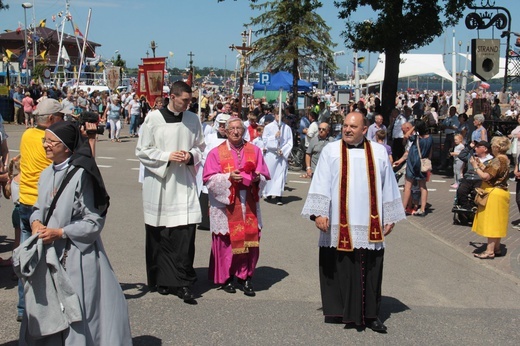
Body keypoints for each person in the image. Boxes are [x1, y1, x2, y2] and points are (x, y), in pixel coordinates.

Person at [16, 121, 131, 344]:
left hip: (75, 254)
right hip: (47, 251)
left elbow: (94, 221)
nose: (46, 146)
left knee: (77, 309)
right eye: (45, 141)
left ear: (67, 147)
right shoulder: (46, 173)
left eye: (51, 142)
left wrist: (61, 232)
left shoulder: (82, 175)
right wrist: (36, 221)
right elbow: (38, 206)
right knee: (46, 306)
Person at [301, 112, 405, 332]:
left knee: (370, 268)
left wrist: (390, 214)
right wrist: (319, 212)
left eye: (353, 126)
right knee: (341, 265)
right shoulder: (331, 150)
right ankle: (340, 310)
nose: (347, 129)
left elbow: (388, 185)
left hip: (370, 222)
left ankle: (370, 315)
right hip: (339, 220)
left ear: (364, 130)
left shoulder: (378, 152)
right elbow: (320, 181)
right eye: (345, 125)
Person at [136, 81, 205, 302]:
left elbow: (201, 147)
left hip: (183, 182)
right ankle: (162, 280)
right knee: (161, 233)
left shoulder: (193, 119)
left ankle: (184, 283)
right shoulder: (153, 119)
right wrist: (167, 156)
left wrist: (190, 156)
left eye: (190, 100)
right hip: (160, 182)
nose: (188, 104)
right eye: (185, 100)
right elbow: (142, 151)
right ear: (172, 97)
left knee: (184, 234)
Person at [203, 117, 270, 296]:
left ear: (243, 130)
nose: (235, 131)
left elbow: (264, 174)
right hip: (227, 203)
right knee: (226, 241)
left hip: (248, 201)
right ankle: (226, 278)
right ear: (225, 130)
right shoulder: (216, 152)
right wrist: (228, 178)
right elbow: (208, 179)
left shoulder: (254, 151)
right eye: (231, 128)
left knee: (250, 239)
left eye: (238, 128)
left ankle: (245, 277)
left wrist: (257, 178)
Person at [16, 99, 70, 322]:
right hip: (42, 204)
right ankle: (52, 306)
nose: (63, 121)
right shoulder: (51, 141)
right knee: (50, 259)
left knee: (26, 256)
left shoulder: (27, 134)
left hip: (24, 200)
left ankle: (23, 307)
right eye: (60, 117)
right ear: (51, 119)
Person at [470, 136, 510, 259]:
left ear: (497, 147)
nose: (491, 148)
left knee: (491, 222)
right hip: (502, 192)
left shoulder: (498, 160)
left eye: (493, 146)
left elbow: (486, 177)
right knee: (498, 222)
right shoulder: (505, 159)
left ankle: (489, 251)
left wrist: (475, 166)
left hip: (494, 193)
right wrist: (481, 164)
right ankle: (496, 248)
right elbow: (493, 173)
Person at [401, 120, 433, 216]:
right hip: (422, 163)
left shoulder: (416, 138)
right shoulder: (430, 139)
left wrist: (414, 127)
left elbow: (406, 136)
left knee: (408, 186)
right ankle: (422, 209)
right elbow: (430, 151)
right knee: (422, 186)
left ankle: (403, 208)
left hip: (412, 163)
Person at [262, 110, 293, 205]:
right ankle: (269, 193)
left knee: (280, 176)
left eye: (280, 114)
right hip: (271, 155)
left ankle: (279, 196)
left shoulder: (287, 128)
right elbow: (265, 141)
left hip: (281, 156)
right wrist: (274, 138)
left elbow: (289, 142)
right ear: (274, 115)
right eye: (277, 114)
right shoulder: (268, 127)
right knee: (271, 175)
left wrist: (283, 150)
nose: (278, 116)